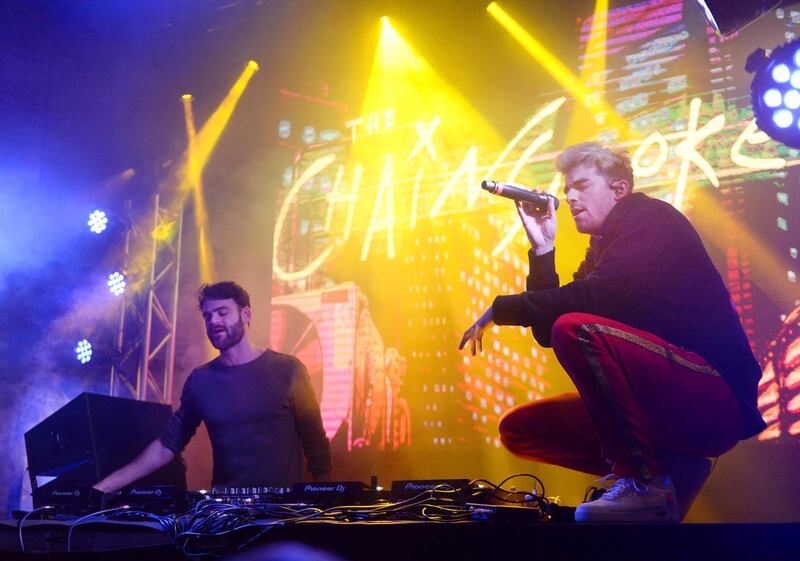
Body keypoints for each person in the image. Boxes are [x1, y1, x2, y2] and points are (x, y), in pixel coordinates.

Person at [459, 142, 765, 523]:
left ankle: (643, 481)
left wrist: (501, 308)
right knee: (521, 430)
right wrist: (543, 250)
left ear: (619, 190)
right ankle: (672, 470)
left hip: (715, 396)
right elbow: (546, 331)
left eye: (582, 186)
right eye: (567, 189)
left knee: (577, 329)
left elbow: (593, 302)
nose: (569, 197)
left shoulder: (651, 218)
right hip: (665, 403)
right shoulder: (601, 249)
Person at [95, 281, 331, 492]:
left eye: (222, 312)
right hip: (224, 516)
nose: (214, 321)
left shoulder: (288, 370)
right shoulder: (201, 380)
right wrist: (100, 490)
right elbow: (165, 447)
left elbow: (316, 445)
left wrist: (332, 512)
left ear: (246, 314)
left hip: (280, 515)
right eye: (208, 316)